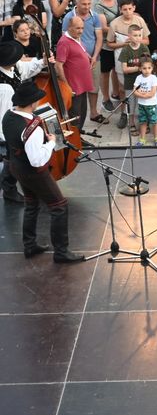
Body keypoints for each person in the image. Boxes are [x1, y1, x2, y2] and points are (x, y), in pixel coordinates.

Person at [2, 82, 84, 262]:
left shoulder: (8, 116)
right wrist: (51, 142)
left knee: (31, 204)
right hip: (33, 172)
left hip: (17, 168)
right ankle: (61, 252)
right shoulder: (32, 128)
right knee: (59, 206)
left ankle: (30, 245)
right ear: (33, 103)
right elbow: (37, 160)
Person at [0, 40, 43, 202]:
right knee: (11, 159)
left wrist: (43, 62)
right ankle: (9, 189)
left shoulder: (14, 68)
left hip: (15, 121)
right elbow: (3, 114)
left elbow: (26, 69)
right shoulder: (4, 88)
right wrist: (7, 136)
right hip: (8, 126)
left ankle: (10, 187)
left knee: (14, 159)